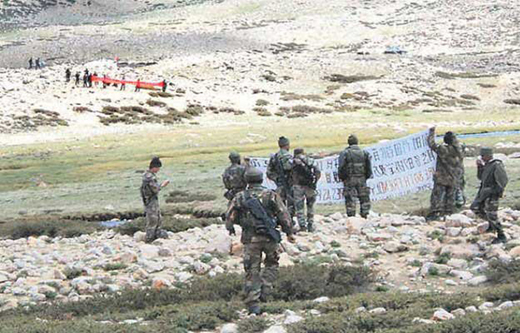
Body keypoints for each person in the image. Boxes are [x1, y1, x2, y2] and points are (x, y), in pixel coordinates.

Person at [226, 168, 295, 315]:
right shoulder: (271, 195)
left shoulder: (240, 197)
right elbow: (283, 215)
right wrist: (289, 232)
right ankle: (265, 289)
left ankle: (253, 303)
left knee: (252, 270)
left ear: (247, 180)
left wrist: (233, 227)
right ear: (261, 179)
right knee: (272, 264)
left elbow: (230, 216)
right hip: (270, 238)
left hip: (250, 240)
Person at [470, 147, 508, 244]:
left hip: (492, 194)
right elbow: (481, 177)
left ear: (489, 155)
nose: (482, 158)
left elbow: (503, 180)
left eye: (483, 156)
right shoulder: (487, 165)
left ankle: (501, 235)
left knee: (492, 214)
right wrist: (480, 167)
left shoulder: (497, 164)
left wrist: (496, 191)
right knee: (475, 208)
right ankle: (492, 226)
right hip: (483, 193)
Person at [426, 127, 465, 221]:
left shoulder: (443, 149)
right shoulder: (460, 150)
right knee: (450, 197)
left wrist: (431, 133)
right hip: (454, 178)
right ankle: (449, 213)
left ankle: (435, 213)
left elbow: (432, 145)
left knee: (437, 197)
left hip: (442, 177)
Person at [338, 134, 372, 218]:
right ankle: (365, 215)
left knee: (350, 198)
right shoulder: (364, 153)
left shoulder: (345, 153)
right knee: (364, 197)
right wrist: (365, 177)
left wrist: (343, 178)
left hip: (349, 179)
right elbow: (369, 168)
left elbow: (341, 167)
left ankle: (351, 217)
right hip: (362, 178)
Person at [140, 157, 170, 243]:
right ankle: (149, 238)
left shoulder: (147, 175)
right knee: (153, 219)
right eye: (158, 168)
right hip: (151, 201)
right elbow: (155, 189)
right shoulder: (150, 177)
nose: (158, 170)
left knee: (157, 218)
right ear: (154, 167)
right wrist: (163, 185)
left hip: (149, 200)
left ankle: (156, 236)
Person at [292, 148, 321, 232]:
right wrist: (315, 182)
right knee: (310, 205)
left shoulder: (293, 161)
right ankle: (310, 225)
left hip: (297, 185)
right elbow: (318, 171)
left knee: (299, 207)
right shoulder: (310, 160)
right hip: (309, 185)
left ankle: (302, 226)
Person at [266, 136, 294, 220]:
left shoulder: (274, 156)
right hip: (289, 183)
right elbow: (290, 168)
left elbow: (269, 172)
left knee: (280, 204)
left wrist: (276, 179)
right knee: (291, 204)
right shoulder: (287, 156)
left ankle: (282, 220)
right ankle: (289, 221)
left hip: (279, 184)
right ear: (287, 145)